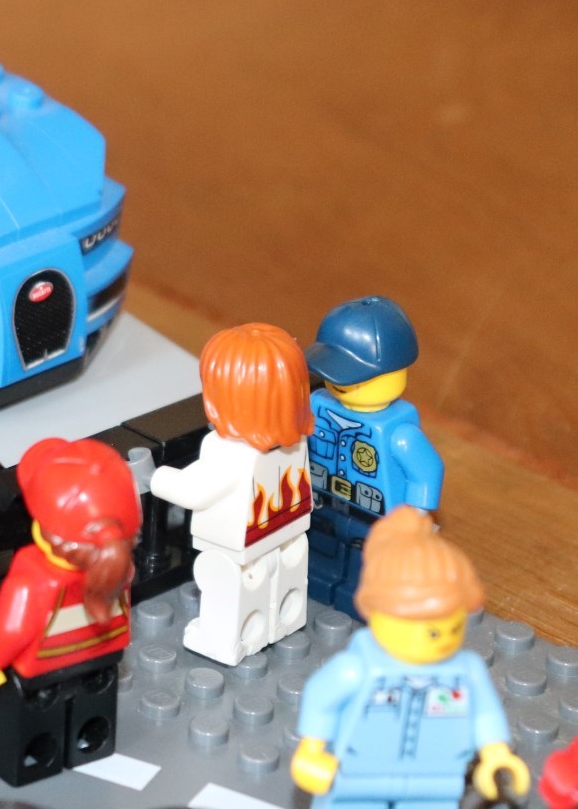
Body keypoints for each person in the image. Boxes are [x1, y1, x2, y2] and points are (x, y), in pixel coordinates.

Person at [292, 507, 529, 809]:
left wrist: (496, 754)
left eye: (455, 626)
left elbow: (484, 714)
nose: (444, 638)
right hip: (359, 779)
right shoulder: (357, 669)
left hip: (435, 783)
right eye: (432, 631)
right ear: (378, 612)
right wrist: (311, 751)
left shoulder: (466, 672)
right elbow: (321, 700)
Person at [0, 436, 142, 787]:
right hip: (100, 662)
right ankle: (89, 744)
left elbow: (13, 632)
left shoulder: (34, 577)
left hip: (40, 669)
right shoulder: (118, 567)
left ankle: (34, 759)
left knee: (29, 719)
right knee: (90, 708)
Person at [151, 322, 314, 665]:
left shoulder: (228, 450)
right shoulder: (294, 440)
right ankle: (282, 622)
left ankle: (220, 642)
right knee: (280, 584)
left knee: (226, 590)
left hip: (234, 547)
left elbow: (194, 491)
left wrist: (156, 477)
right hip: (284, 533)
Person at [304, 296, 442, 617]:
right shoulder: (319, 407)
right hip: (324, 503)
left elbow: (428, 471)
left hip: (376, 519)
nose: (337, 382)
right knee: (321, 554)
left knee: (365, 564)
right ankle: (321, 581)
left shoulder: (399, 433)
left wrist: (416, 517)